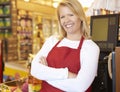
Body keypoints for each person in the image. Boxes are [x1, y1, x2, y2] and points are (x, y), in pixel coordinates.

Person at [30, 0, 100, 92]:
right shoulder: (52, 41)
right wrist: (67, 74)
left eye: (71, 15)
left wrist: (46, 74)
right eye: (62, 17)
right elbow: (34, 70)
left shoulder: (91, 48)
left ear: (80, 17)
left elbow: (79, 87)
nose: (66, 20)